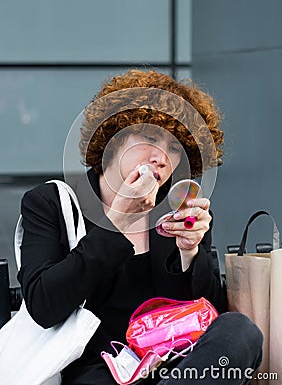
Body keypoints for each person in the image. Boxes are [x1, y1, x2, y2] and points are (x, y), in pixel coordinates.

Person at [18, 70, 262, 384]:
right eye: (149, 138)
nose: (161, 157)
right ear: (114, 138)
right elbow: (43, 306)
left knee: (240, 330)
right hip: (98, 369)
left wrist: (190, 253)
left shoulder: (179, 208)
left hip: (176, 364)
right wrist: (118, 219)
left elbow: (205, 315)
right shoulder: (50, 202)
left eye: (175, 149)